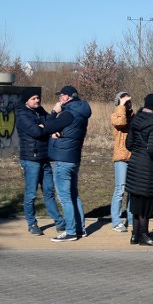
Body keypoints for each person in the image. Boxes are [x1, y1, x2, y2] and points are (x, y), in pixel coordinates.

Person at [42, 85, 92, 242]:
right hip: (73, 158)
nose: (59, 99)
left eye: (61, 96)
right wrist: (61, 133)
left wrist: (53, 112)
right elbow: (69, 131)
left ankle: (70, 231)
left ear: (68, 97)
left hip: (62, 159)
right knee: (73, 194)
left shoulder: (68, 113)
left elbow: (47, 126)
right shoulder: (81, 112)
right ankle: (80, 228)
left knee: (65, 197)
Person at [15, 87, 65, 236]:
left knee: (49, 192)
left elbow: (50, 126)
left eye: (38, 98)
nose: (37, 100)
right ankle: (32, 223)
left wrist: (47, 127)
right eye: (33, 98)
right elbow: (36, 132)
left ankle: (59, 222)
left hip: (44, 157)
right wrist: (53, 115)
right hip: (31, 159)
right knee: (31, 194)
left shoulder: (41, 111)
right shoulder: (22, 115)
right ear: (26, 101)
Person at [125, 94, 153, 246]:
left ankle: (135, 235)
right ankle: (145, 235)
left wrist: (138, 150)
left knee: (136, 201)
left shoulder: (135, 120)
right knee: (147, 202)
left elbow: (128, 145)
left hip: (134, 163)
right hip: (147, 167)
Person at [110, 91, 133, 233]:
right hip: (121, 157)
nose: (128, 104)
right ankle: (116, 221)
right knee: (120, 189)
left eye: (129, 101)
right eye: (125, 101)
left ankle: (130, 218)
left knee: (131, 190)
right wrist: (121, 106)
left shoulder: (134, 117)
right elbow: (120, 122)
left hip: (133, 156)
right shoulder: (116, 116)